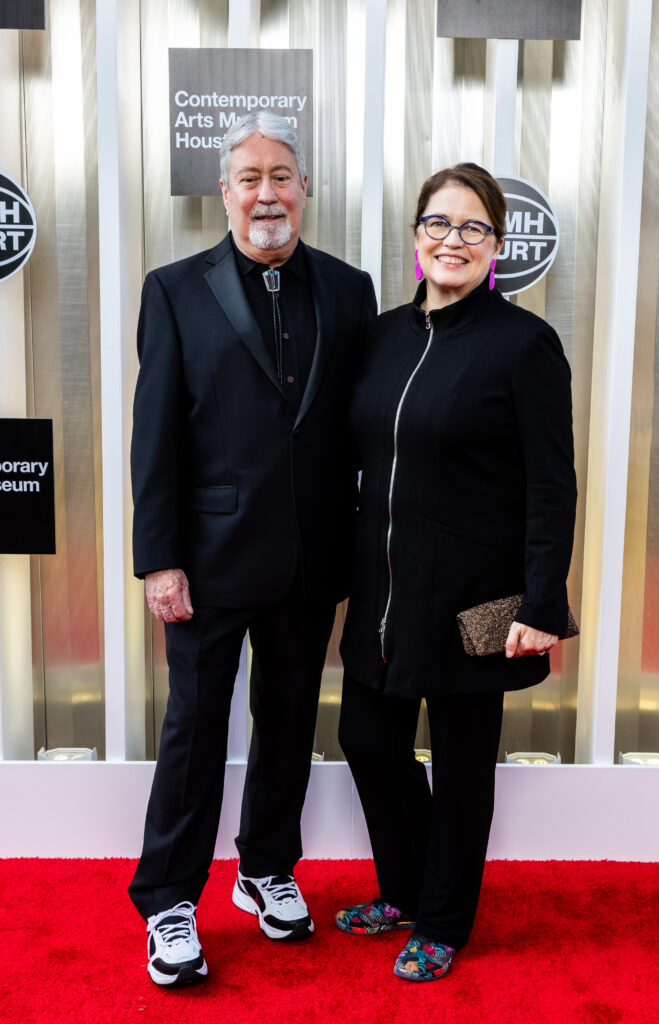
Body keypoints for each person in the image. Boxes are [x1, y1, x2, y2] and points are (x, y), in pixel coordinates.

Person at [129, 112, 376, 988]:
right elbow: (152, 436)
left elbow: (360, 427)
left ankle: (265, 868)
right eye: (249, 178)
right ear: (224, 192)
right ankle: (167, 901)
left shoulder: (351, 290)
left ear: (303, 188)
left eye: (282, 176)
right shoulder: (172, 288)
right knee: (194, 732)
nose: (266, 193)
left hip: (311, 560)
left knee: (287, 724)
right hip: (204, 561)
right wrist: (158, 558)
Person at [334, 163, 576, 982]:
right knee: (365, 739)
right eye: (439, 224)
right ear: (415, 237)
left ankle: (442, 920)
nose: (453, 240)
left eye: (473, 228)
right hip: (383, 593)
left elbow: (552, 485)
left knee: (463, 765)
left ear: (497, 247)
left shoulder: (523, 345)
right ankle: (404, 890)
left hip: (481, 598)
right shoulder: (381, 336)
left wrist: (542, 602)